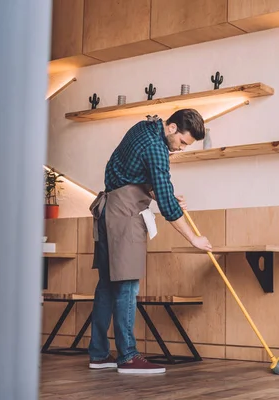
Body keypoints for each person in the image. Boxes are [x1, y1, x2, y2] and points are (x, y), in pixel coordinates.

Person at [87, 109, 213, 374]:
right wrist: (194, 238)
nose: (179, 149)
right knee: (128, 285)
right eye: (181, 142)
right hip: (125, 215)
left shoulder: (144, 128)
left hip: (109, 211)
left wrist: (163, 193)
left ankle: (98, 354)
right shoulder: (157, 148)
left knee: (107, 286)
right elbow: (168, 207)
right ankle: (128, 357)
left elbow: (126, 173)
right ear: (171, 128)